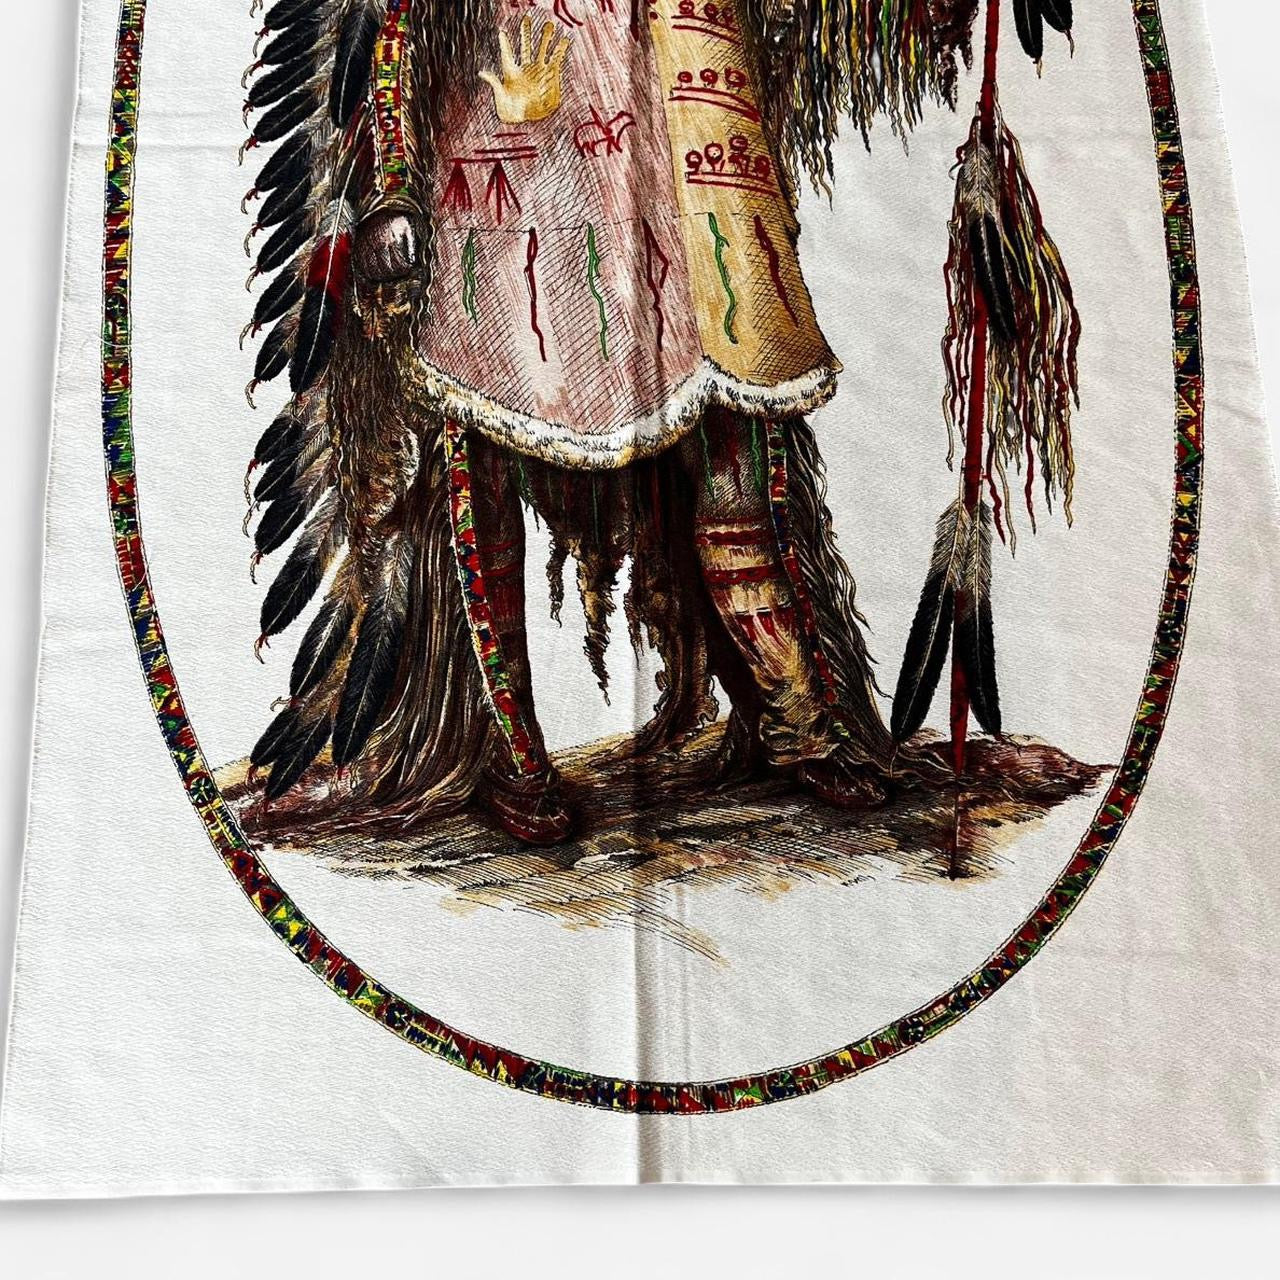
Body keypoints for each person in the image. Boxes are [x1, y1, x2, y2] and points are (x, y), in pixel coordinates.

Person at [240, 0, 979, 843]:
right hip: (494, 172)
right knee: (476, 460)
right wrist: (393, 185)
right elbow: (397, 25)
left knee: (732, 433)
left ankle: (805, 718)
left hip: (671, 155)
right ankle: (509, 755)